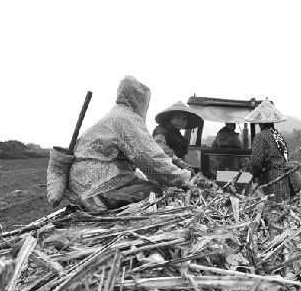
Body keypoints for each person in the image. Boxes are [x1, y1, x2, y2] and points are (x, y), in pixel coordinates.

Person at [64, 75, 194, 212]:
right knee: (153, 189)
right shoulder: (127, 119)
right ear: (141, 101)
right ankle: (100, 199)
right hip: (94, 178)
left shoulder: (119, 114)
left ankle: (100, 197)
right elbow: (149, 158)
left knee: (142, 182)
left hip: (90, 176)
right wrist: (182, 179)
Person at [246, 99, 297, 201]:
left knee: (272, 208)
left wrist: (254, 174)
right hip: (283, 176)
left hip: (272, 178)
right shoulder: (278, 135)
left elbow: (256, 162)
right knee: (283, 206)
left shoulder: (261, 136)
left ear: (260, 122)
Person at [152, 101, 203, 170]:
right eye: (178, 117)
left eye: (184, 119)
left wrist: (186, 167)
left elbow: (181, 157)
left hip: (174, 170)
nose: (181, 121)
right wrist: (179, 162)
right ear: (170, 118)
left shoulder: (178, 136)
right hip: (161, 169)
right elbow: (159, 146)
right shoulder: (162, 130)